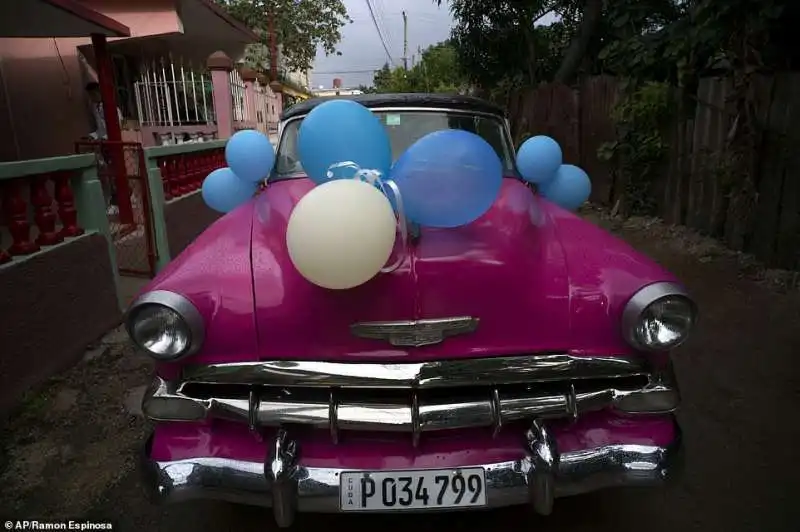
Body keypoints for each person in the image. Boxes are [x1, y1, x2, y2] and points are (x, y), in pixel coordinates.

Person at [84, 81, 124, 214]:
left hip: (113, 144)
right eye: (90, 96)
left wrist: (105, 137)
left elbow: (116, 127)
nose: (92, 98)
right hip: (103, 145)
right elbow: (100, 128)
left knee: (115, 174)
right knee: (108, 175)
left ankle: (120, 202)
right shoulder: (95, 108)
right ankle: (113, 202)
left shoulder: (111, 108)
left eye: (93, 94)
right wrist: (93, 136)